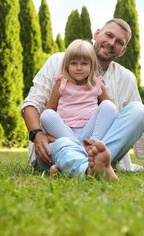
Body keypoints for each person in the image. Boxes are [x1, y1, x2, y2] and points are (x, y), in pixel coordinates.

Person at [21, 18, 144, 181]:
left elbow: (137, 125)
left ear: (122, 50)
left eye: (119, 42)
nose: (111, 43)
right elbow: (31, 104)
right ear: (97, 34)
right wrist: (37, 134)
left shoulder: (126, 77)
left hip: (97, 143)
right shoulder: (58, 61)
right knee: (61, 141)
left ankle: (87, 165)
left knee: (139, 111)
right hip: (58, 144)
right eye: (109, 35)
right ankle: (89, 167)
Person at [40, 39, 117, 174]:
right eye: (74, 63)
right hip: (65, 131)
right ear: (67, 65)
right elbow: (50, 110)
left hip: (88, 132)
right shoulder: (61, 83)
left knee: (109, 106)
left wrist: (93, 138)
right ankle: (78, 149)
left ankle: (93, 145)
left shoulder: (97, 84)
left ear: (92, 65)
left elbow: (107, 112)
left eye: (84, 63)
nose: (79, 67)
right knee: (46, 115)